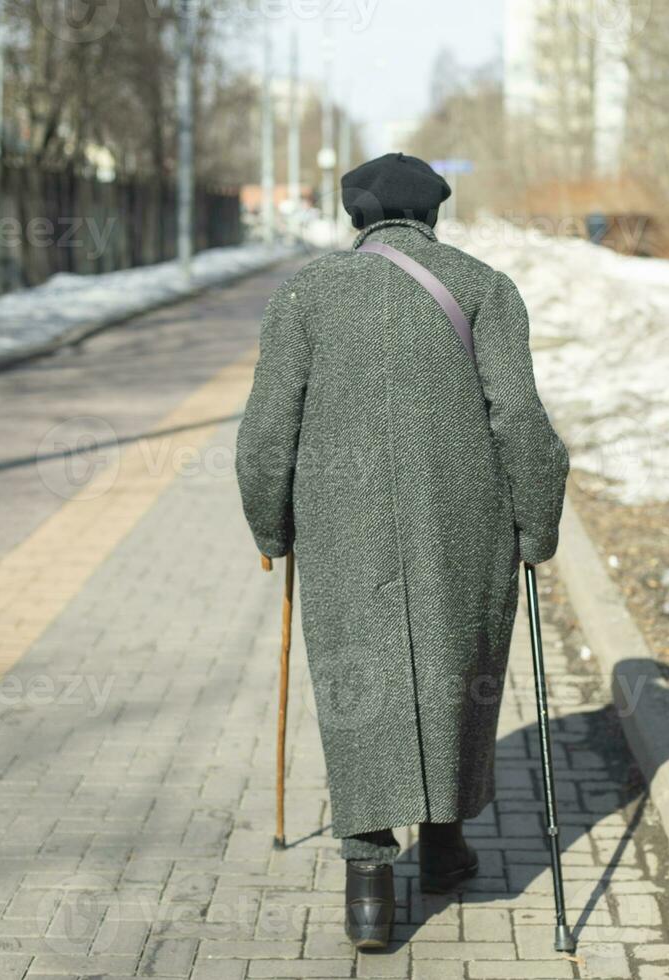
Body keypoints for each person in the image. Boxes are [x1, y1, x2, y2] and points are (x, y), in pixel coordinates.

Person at [235, 152, 569, 950]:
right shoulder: (486, 288)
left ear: (358, 215)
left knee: (362, 676)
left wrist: (271, 527)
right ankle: (446, 847)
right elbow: (520, 420)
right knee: (460, 670)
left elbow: (263, 438)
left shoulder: (306, 295)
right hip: (467, 522)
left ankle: (367, 885)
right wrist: (537, 524)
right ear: (433, 212)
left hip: (339, 521)